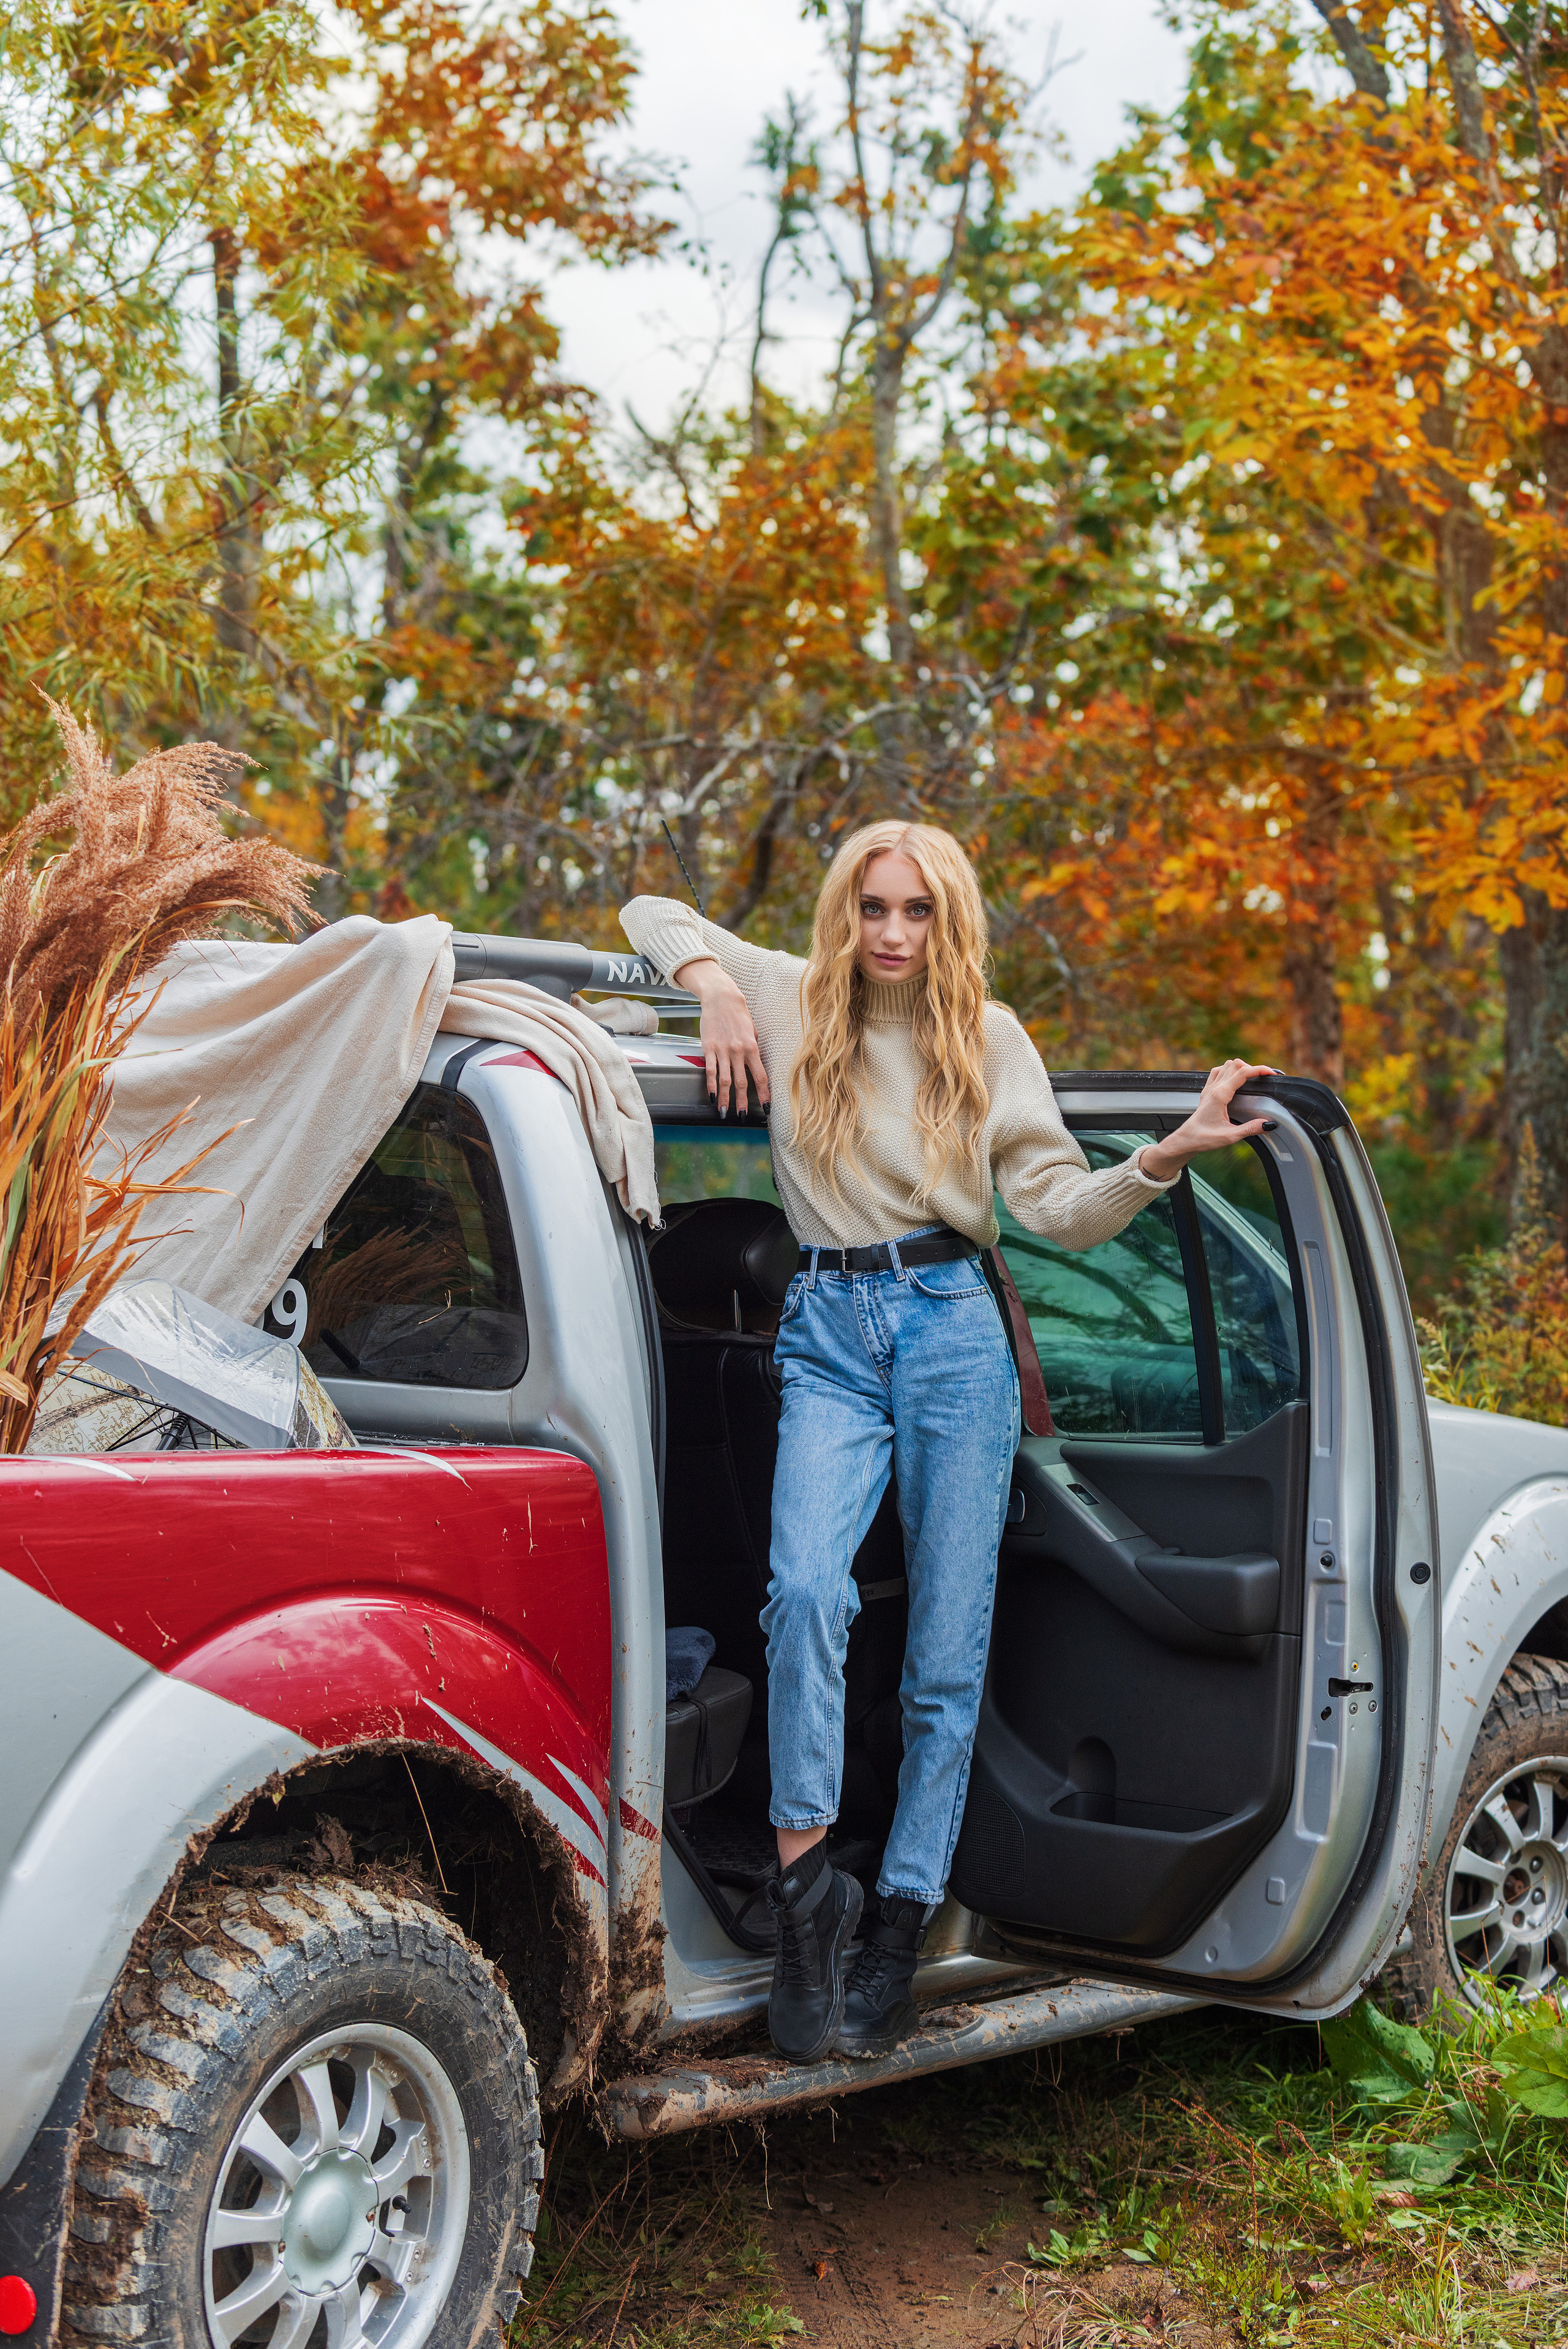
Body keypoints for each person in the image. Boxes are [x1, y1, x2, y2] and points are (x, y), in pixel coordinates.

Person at [620, 821, 1272, 2064]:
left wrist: (1161, 1158)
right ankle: (809, 1900)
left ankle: (896, 1929)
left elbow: (1054, 1208)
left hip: (949, 1333)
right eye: (871, 906)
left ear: (947, 919)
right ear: (843, 909)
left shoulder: (987, 1037)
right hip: (823, 1326)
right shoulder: (788, 992)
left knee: (941, 1651)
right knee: (804, 1593)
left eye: (915, 911)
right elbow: (652, 910)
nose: (890, 934)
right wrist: (709, 988)